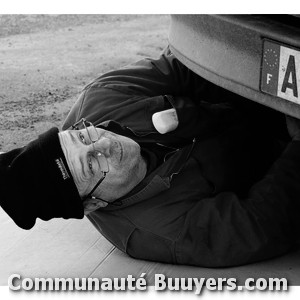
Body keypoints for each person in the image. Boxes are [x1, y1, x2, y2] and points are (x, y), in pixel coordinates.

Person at [1, 47, 300, 268]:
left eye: (82, 137)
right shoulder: (158, 232)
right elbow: (263, 222)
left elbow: (193, 63)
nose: (102, 143)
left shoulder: (100, 98)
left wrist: (276, 87)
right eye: (91, 164)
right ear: (93, 204)